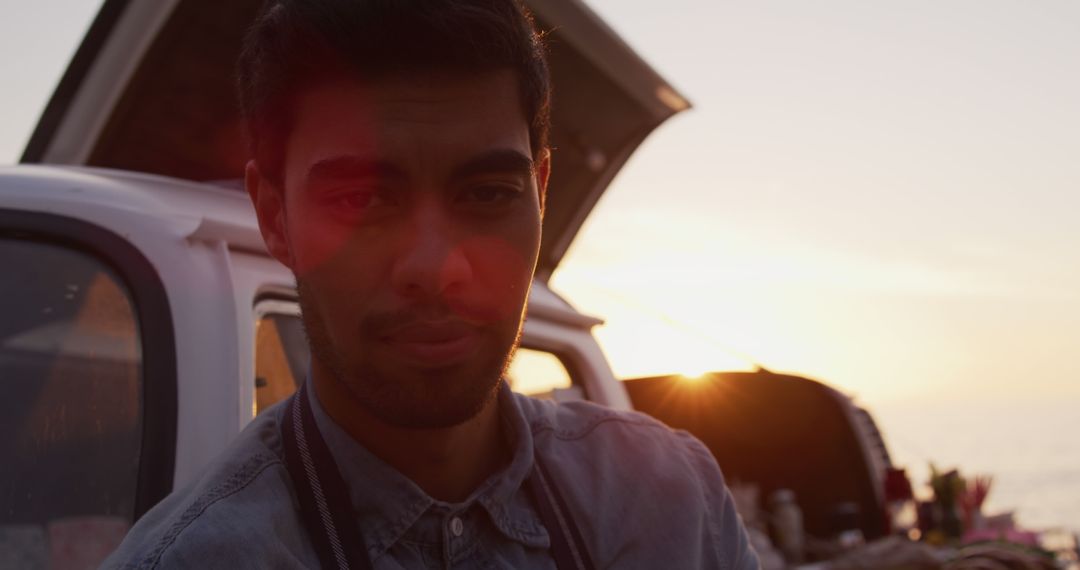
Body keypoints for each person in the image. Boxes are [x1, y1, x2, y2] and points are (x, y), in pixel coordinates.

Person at [103, 0, 760, 568]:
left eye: (487, 192)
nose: (435, 265)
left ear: (540, 191)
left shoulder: (674, 504)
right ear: (274, 216)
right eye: (361, 199)